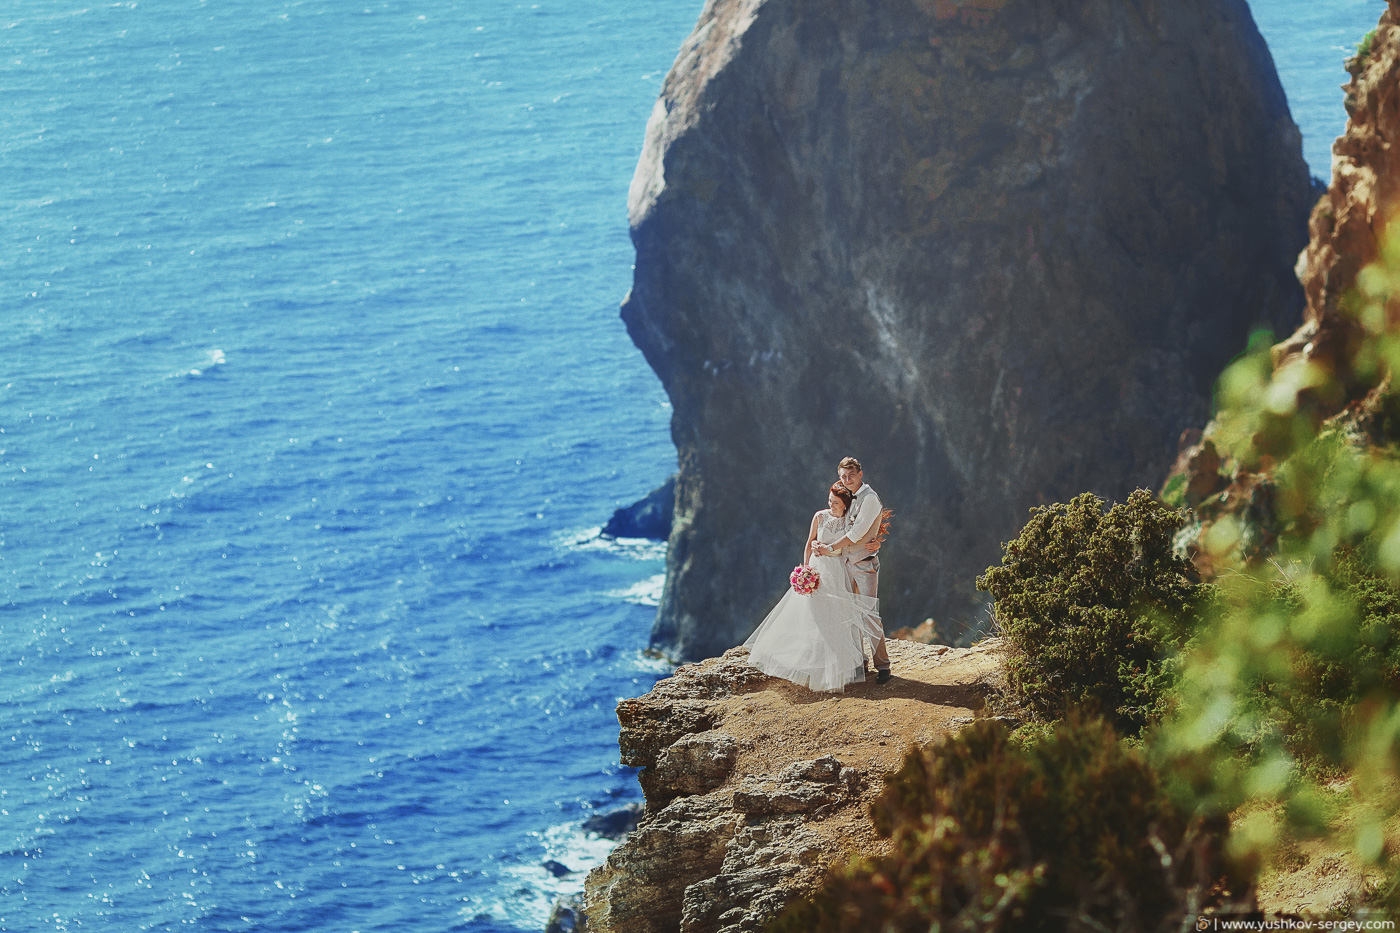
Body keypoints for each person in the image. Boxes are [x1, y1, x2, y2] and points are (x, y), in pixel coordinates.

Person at [743, 482, 883, 692]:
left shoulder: (849, 521)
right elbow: (810, 543)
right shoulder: (819, 516)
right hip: (818, 571)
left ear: (846, 504)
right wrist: (805, 570)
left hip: (840, 571)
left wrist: (878, 542)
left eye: (836, 503)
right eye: (829, 501)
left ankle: (849, 665)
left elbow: (862, 534)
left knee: (841, 616)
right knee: (815, 614)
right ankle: (813, 664)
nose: (831, 505)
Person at [812, 457, 890, 682]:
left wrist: (829, 547)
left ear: (861, 474)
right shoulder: (847, 496)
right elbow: (837, 519)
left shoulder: (870, 499)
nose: (847, 480)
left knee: (869, 614)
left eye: (851, 475)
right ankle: (858, 662)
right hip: (844, 564)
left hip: (864, 564)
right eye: (843, 477)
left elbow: (857, 533)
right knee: (849, 613)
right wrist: (819, 545)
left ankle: (883, 666)